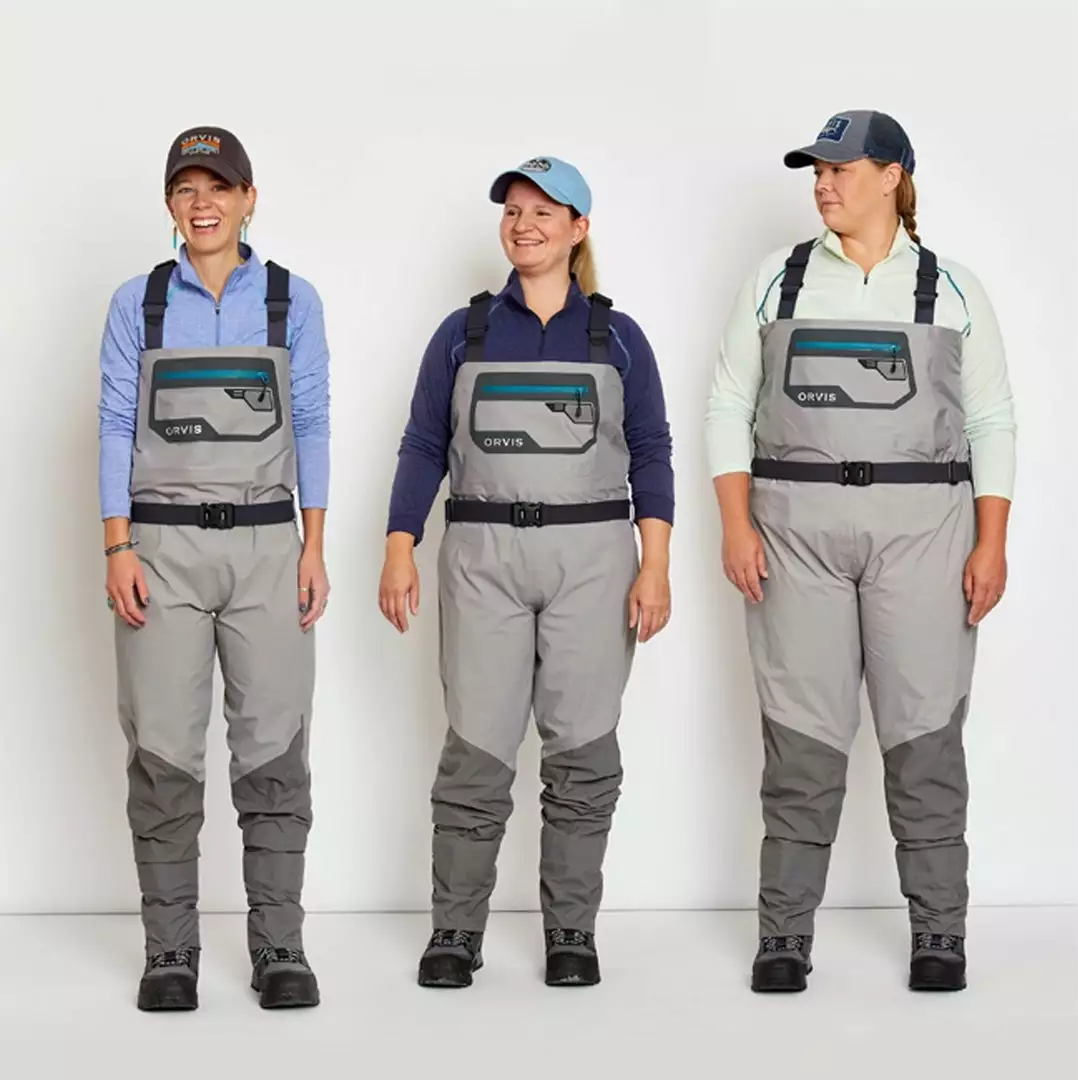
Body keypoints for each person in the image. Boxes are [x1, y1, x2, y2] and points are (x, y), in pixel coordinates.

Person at [706, 111, 1016, 993]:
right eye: (817, 170)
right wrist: (736, 524)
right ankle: (784, 936)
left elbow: (993, 420)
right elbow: (728, 403)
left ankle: (939, 933)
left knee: (925, 736)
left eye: (841, 168)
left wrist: (991, 543)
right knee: (800, 740)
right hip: (793, 534)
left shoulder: (952, 290)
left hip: (925, 533)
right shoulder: (778, 280)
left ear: (892, 177)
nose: (823, 183)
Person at [379, 156, 674, 988]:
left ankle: (570, 933)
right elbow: (423, 444)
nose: (525, 224)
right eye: (513, 210)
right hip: (482, 559)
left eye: (545, 211)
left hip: (594, 560)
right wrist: (400, 544)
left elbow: (651, 451)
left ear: (579, 229)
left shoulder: (618, 337)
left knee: (583, 752)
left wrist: (655, 563)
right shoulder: (463, 332)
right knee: (476, 749)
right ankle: (455, 932)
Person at [97, 126, 331, 1011]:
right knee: (163, 752)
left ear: (248, 198)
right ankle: (170, 952)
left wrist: (313, 544)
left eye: (219, 187)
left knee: (275, 750)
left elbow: (313, 419)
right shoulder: (139, 303)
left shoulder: (291, 300)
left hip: (270, 547)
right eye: (186, 189)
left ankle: (279, 946)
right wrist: (117, 545)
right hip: (160, 550)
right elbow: (113, 423)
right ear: (170, 204)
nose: (203, 204)